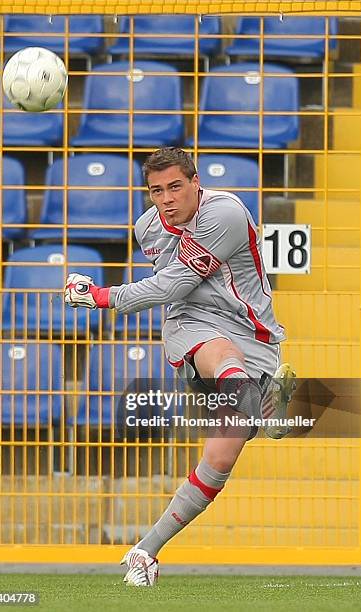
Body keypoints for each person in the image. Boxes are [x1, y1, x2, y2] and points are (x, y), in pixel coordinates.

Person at [64, 147, 296, 587]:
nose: (167, 198)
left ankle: (145, 550)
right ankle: (263, 407)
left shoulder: (224, 213)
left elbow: (174, 281)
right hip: (191, 326)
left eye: (175, 186)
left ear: (195, 182)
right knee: (218, 350)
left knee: (218, 460)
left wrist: (98, 296)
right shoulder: (146, 229)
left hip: (256, 334)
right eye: (156, 191)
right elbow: (174, 293)